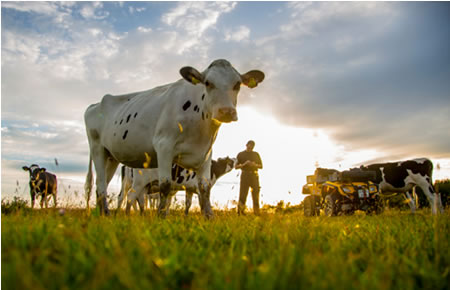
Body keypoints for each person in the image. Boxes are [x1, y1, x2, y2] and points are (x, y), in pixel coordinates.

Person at [235, 140, 263, 215]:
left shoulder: (256, 154)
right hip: (245, 175)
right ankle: (240, 212)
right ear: (246, 145)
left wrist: (254, 165)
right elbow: (236, 166)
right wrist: (244, 164)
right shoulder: (241, 154)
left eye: (252, 146)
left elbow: (261, 166)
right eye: (249, 145)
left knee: (256, 194)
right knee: (243, 194)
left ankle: (256, 212)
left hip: (254, 175)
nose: (250, 147)